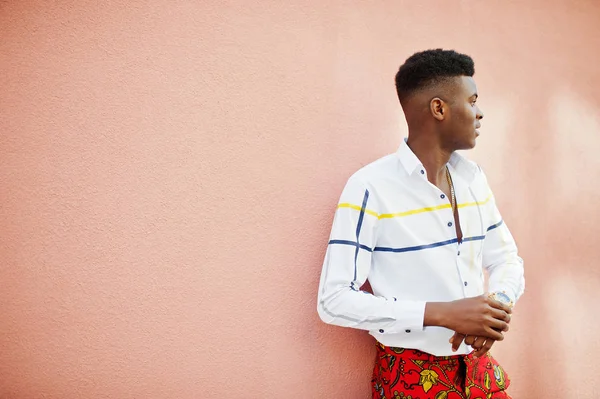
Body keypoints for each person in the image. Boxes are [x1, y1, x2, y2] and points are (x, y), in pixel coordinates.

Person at [316, 49, 525, 399]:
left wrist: (494, 310)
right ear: (439, 108)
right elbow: (333, 300)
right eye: (472, 100)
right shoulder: (370, 187)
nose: (480, 112)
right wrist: (443, 314)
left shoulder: (474, 179)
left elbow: (506, 258)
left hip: (479, 373)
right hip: (411, 378)